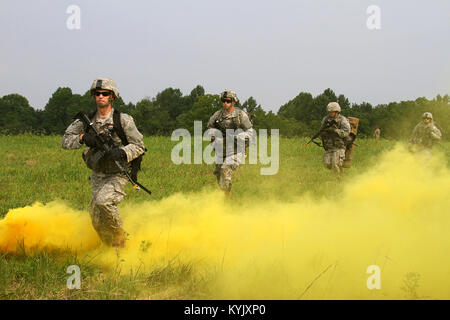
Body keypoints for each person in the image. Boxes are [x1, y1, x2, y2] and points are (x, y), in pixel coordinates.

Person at [62, 78, 145, 247]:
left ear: (112, 97)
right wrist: (83, 137)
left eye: (105, 94)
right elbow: (65, 141)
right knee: (96, 219)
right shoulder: (86, 121)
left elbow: (139, 146)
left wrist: (122, 151)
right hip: (98, 173)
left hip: (118, 172)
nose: (101, 96)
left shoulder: (123, 120)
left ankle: (120, 241)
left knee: (104, 202)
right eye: (97, 93)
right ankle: (109, 248)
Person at [207, 90, 253, 196]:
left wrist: (237, 137)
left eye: (228, 101)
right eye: (223, 101)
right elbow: (210, 128)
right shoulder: (218, 115)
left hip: (237, 150)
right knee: (218, 173)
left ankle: (226, 198)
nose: (225, 103)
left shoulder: (240, 115)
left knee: (225, 168)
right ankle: (226, 196)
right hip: (222, 150)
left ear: (233, 101)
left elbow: (250, 132)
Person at [319, 102, 350, 177]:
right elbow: (322, 130)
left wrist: (335, 131)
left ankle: (338, 180)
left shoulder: (343, 120)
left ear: (337, 112)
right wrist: (324, 132)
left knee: (336, 164)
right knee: (327, 164)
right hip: (329, 146)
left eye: (332, 112)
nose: (330, 113)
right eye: (329, 112)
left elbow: (346, 132)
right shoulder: (326, 119)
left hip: (339, 146)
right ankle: (336, 175)